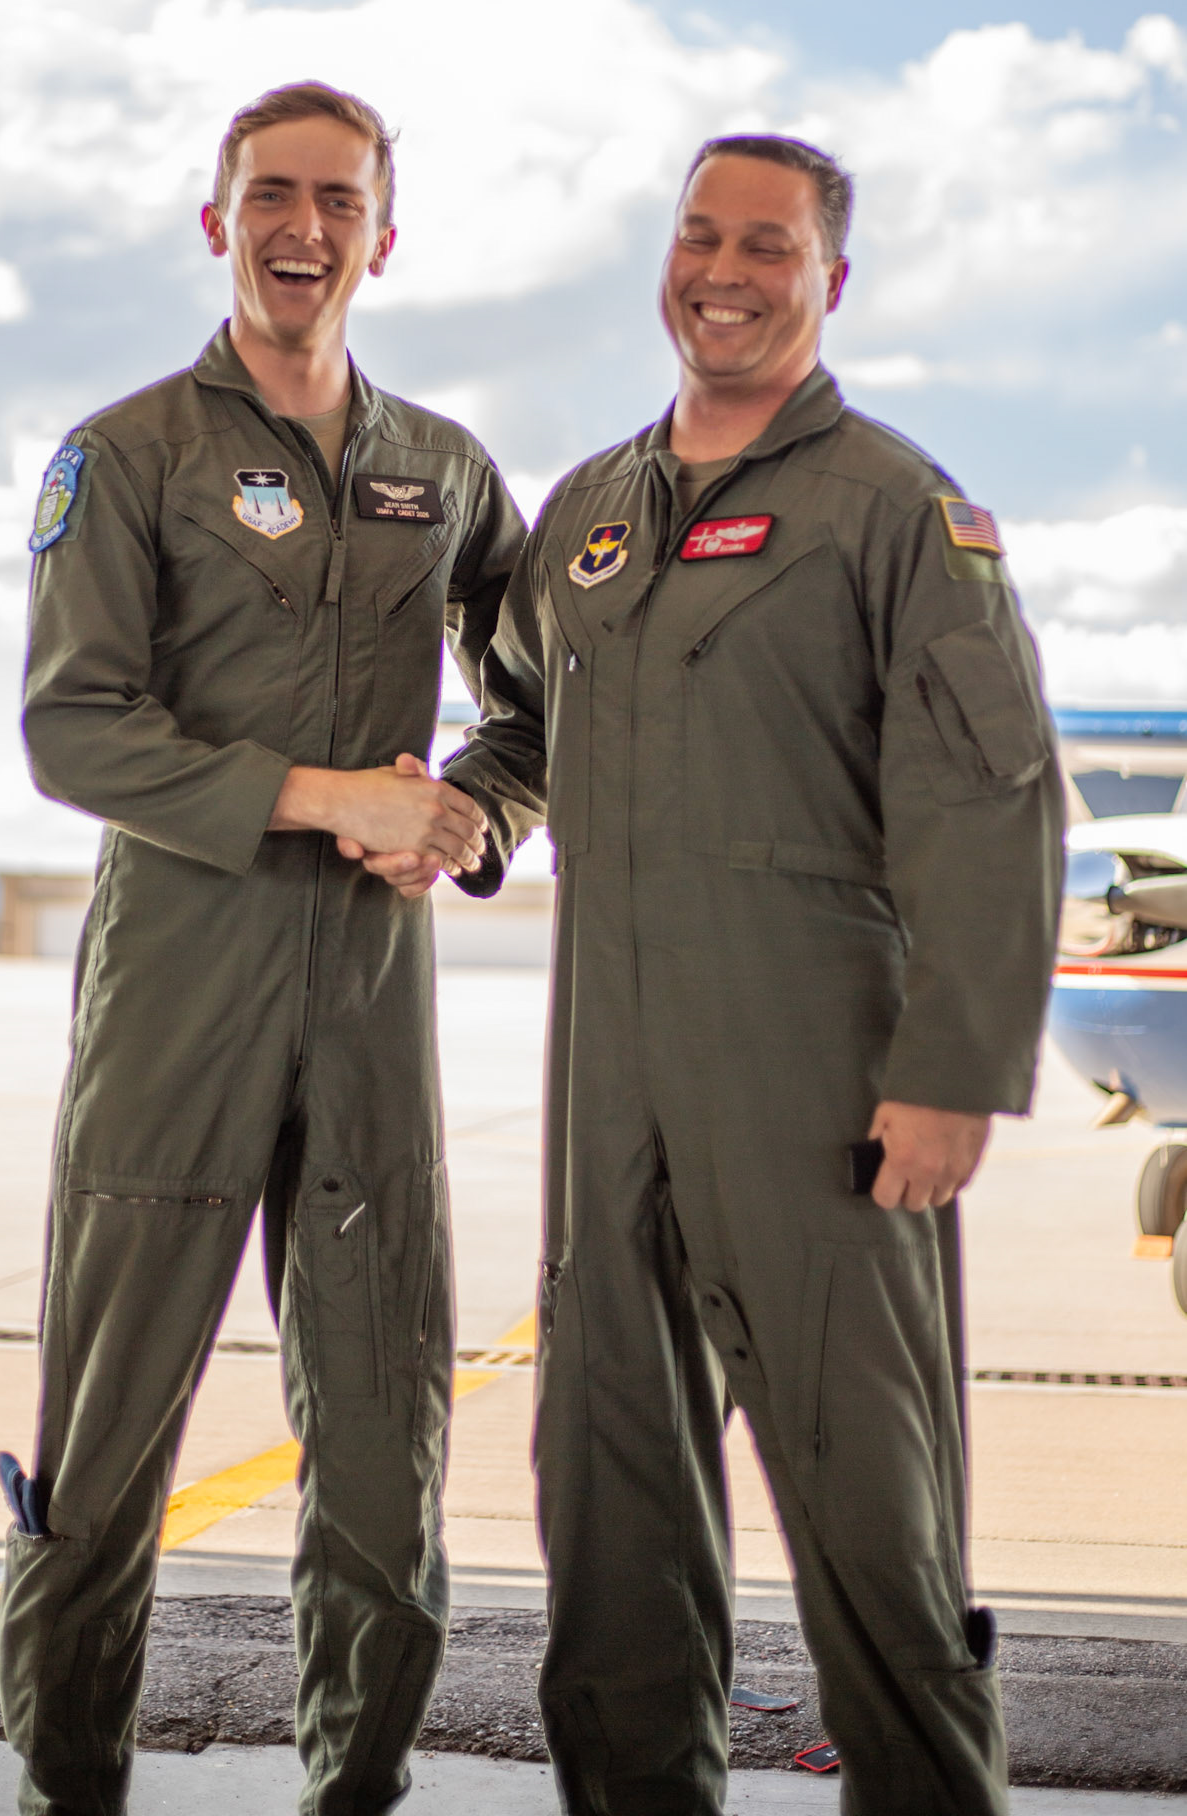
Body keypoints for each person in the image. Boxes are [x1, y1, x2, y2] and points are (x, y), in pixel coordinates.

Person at [370, 134, 1063, 1814]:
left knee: (867, 1495)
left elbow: (990, 798)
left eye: (767, 244)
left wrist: (953, 1071)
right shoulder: (590, 514)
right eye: (699, 237)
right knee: (607, 1485)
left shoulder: (892, 510)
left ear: (830, 279)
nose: (723, 273)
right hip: (606, 1061)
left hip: (814, 1061)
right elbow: (523, 720)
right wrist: (467, 811)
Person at [0, 80, 525, 1816]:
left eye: (339, 200)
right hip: (177, 986)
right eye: (272, 195)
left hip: (368, 1002)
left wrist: (470, 813)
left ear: (385, 233)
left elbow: (543, 690)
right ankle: (66, 1782)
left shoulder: (443, 470)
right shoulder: (127, 454)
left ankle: (354, 1789)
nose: (305, 228)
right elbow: (72, 727)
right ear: (217, 221)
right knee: (106, 1438)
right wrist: (317, 795)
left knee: (383, 1439)